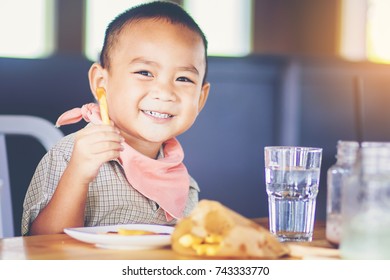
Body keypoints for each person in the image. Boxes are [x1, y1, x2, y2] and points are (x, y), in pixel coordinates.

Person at [22, 1, 210, 236]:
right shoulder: (71, 156)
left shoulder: (182, 183)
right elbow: (42, 246)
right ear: (102, 83)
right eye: (145, 73)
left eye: (183, 79)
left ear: (200, 99)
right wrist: (78, 174)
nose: (164, 92)